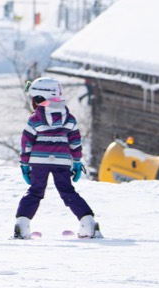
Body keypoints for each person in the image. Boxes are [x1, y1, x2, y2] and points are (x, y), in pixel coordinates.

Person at [14, 76, 102, 239]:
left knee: (35, 191)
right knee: (67, 191)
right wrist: (76, 161)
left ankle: (22, 225)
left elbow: (26, 142)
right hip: (62, 160)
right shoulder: (69, 118)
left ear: (40, 97)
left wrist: (25, 164)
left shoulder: (34, 119)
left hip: (38, 161)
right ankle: (88, 222)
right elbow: (75, 142)